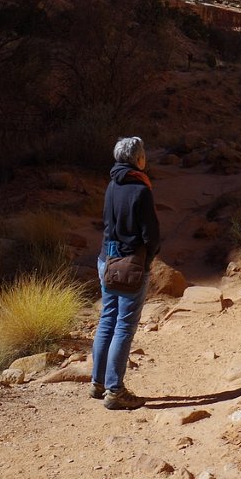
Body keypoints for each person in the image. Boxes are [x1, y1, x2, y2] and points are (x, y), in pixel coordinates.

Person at [90, 136, 160, 410]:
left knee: (107, 319)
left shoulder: (111, 185)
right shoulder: (141, 190)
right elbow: (150, 234)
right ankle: (115, 391)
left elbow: (107, 222)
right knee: (124, 326)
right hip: (130, 263)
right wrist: (149, 259)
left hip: (106, 259)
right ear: (138, 160)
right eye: (144, 156)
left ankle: (98, 383)